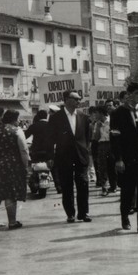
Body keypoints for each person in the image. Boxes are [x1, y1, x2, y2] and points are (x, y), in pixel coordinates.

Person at [111, 81, 138, 233]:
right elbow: (115, 139)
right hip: (127, 159)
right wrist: (118, 159)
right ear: (129, 95)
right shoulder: (117, 113)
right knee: (127, 190)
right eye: (137, 94)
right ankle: (125, 217)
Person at [47, 90, 93, 223]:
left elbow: (87, 137)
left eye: (79, 99)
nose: (79, 101)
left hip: (80, 156)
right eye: (76, 99)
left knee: (83, 184)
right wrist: (50, 156)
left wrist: (85, 151)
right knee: (67, 186)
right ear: (66, 99)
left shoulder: (83, 117)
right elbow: (50, 139)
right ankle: (70, 214)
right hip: (64, 156)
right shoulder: (56, 118)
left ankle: (83, 213)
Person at [0, 109, 29, 230]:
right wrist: (25, 165)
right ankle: (12, 222)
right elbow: (23, 150)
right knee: (11, 194)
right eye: (18, 119)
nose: (19, 121)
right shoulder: (17, 131)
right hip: (12, 166)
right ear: (14, 119)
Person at [96, 104, 117, 196]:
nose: (95, 115)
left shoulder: (111, 121)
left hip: (111, 145)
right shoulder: (97, 123)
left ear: (101, 113)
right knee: (102, 166)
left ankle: (113, 186)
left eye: (96, 113)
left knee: (112, 166)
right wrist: (98, 127)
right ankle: (104, 187)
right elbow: (96, 138)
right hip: (101, 145)